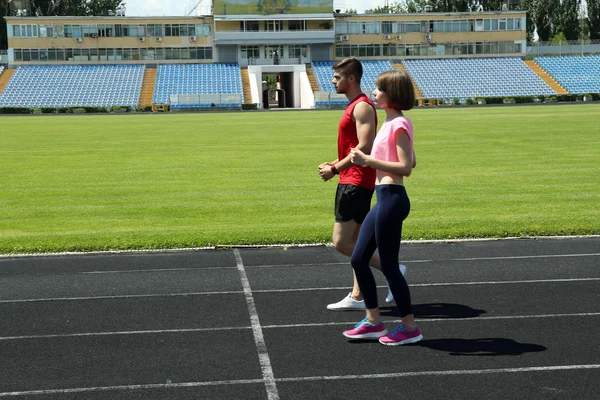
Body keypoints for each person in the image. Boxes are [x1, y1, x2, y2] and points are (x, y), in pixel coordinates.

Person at [342, 69, 422, 345]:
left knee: (388, 265)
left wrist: (368, 160)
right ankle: (373, 321)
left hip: (392, 198)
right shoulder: (391, 123)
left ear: (391, 95)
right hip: (384, 197)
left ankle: (409, 327)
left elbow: (405, 169)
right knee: (358, 259)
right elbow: (411, 160)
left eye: (378, 89)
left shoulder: (399, 124)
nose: (374, 92)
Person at [319, 58, 406, 311]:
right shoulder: (354, 106)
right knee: (358, 242)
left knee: (341, 242)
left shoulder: (362, 107)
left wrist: (335, 168)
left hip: (356, 182)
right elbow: (352, 149)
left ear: (351, 79)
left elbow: (364, 147)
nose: (333, 81)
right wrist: (334, 163)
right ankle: (358, 296)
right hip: (351, 178)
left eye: (337, 78)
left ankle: (392, 269)